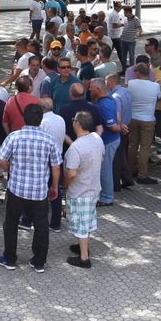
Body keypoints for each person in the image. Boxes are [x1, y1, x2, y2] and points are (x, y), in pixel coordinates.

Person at [0, 102, 62, 273]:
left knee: (11, 224)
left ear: (24, 118)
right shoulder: (49, 140)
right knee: (41, 226)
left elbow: (1, 160)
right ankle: (39, 262)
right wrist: (54, 186)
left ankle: (10, 259)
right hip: (39, 191)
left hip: (17, 189)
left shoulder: (14, 136)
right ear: (40, 120)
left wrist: (11, 170)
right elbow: (56, 166)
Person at [61, 111, 105, 268]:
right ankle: (82, 246)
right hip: (94, 188)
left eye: (73, 120)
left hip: (80, 192)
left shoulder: (76, 147)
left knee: (80, 224)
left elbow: (72, 172)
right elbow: (101, 158)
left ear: (77, 124)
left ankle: (84, 258)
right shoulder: (96, 138)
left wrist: (64, 185)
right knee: (87, 221)